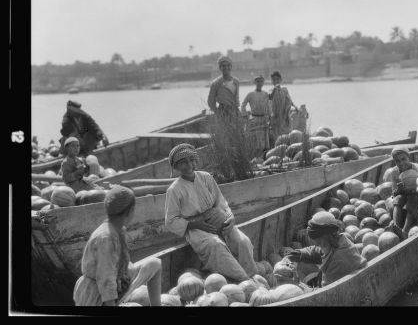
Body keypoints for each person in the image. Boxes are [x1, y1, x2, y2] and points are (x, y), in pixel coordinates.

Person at [164, 143, 258, 282]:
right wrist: (195, 224)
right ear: (176, 167)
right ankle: (243, 280)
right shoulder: (174, 190)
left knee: (242, 241)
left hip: (218, 218)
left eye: (192, 160)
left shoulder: (206, 177)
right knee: (216, 246)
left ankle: (252, 274)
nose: (189, 165)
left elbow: (220, 201)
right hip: (195, 228)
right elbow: (170, 221)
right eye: (183, 162)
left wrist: (230, 217)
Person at [73, 185, 162, 306]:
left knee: (155, 264)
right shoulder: (106, 238)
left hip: (117, 282)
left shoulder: (118, 230)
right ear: (129, 211)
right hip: (95, 296)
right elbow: (106, 279)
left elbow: (119, 263)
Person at [285, 211, 366, 287]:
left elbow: (327, 292)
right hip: (336, 281)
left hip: (344, 290)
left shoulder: (338, 260)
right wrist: (294, 255)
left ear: (321, 237)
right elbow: (316, 251)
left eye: (312, 236)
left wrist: (299, 285)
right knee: (301, 263)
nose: (310, 238)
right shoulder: (337, 241)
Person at [383, 146, 418, 237]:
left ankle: (405, 230)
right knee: (398, 199)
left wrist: (412, 190)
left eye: (403, 159)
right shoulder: (395, 172)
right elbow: (393, 195)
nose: (401, 163)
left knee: (412, 199)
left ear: (408, 157)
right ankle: (396, 226)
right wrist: (398, 191)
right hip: (403, 197)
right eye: (397, 161)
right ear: (395, 162)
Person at [240, 75, 273, 159]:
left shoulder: (265, 94)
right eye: (258, 81)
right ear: (255, 82)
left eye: (261, 81)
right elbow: (243, 105)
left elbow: (269, 106)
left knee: (264, 140)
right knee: (254, 140)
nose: (259, 83)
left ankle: (262, 157)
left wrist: (270, 117)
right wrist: (244, 116)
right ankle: (254, 157)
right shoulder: (250, 94)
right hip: (254, 119)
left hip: (263, 119)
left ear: (263, 83)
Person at [268, 71, 298, 144]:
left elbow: (289, 100)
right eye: (274, 80)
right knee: (277, 135)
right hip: (276, 116)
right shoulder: (271, 91)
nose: (276, 81)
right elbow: (270, 98)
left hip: (284, 115)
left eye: (277, 79)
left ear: (281, 80)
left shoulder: (285, 89)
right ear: (272, 81)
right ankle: (278, 149)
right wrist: (275, 89)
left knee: (287, 133)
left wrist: (295, 107)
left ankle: (287, 147)